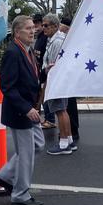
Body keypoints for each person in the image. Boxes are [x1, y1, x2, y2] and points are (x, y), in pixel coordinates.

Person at [0, 15, 45, 205]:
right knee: (26, 154)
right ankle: (20, 194)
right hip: (20, 111)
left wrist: (46, 70)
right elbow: (8, 86)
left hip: (30, 109)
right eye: (28, 29)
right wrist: (26, 108)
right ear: (17, 32)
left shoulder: (28, 50)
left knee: (38, 144)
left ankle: (5, 176)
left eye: (33, 28)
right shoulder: (13, 53)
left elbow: (31, 76)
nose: (33, 31)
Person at [41, 14, 74, 155]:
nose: (43, 28)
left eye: (46, 25)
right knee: (63, 110)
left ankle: (64, 142)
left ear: (55, 26)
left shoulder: (56, 41)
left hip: (56, 80)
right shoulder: (54, 39)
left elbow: (53, 64)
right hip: (59, 80)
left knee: (60, 111)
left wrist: (47, 80)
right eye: (43, 25)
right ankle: (69, 140)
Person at [32, 13, 55, 129]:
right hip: (39, 70)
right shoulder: (39, 37)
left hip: (45, 70)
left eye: (37, 23)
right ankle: (46, 117)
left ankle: (50, 119)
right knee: (41, 94)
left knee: (45, 95)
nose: (35, 25)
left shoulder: (46, 37)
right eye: (34, 23)